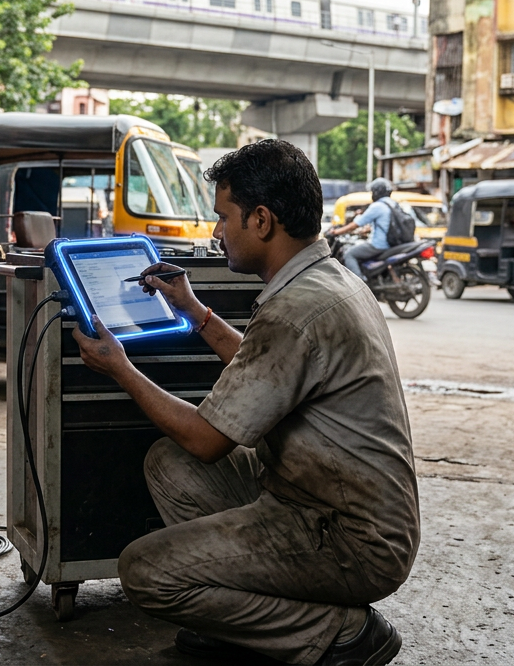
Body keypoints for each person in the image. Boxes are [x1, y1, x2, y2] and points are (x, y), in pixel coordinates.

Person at [72, 139, 419, 666]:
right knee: (168, 464)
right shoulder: (327, 280)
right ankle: (239, 622)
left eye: (223, 217)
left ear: (261, 220)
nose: (216, 232)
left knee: (145, 572)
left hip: (353, 539)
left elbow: (206, 440)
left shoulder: (295, 309)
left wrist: (119, 367)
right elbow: (269, 369)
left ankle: (337, 635)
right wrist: (193, 310)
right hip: (328, 502)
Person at [329, 178, 400, 279]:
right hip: (394, 244)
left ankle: (360, 283)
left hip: (380, 245)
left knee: (350, 254)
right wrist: (366, 230)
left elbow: (356, 224)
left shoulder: (377, 206)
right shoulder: (394, 204)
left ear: (376, 192)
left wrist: (336, 232)